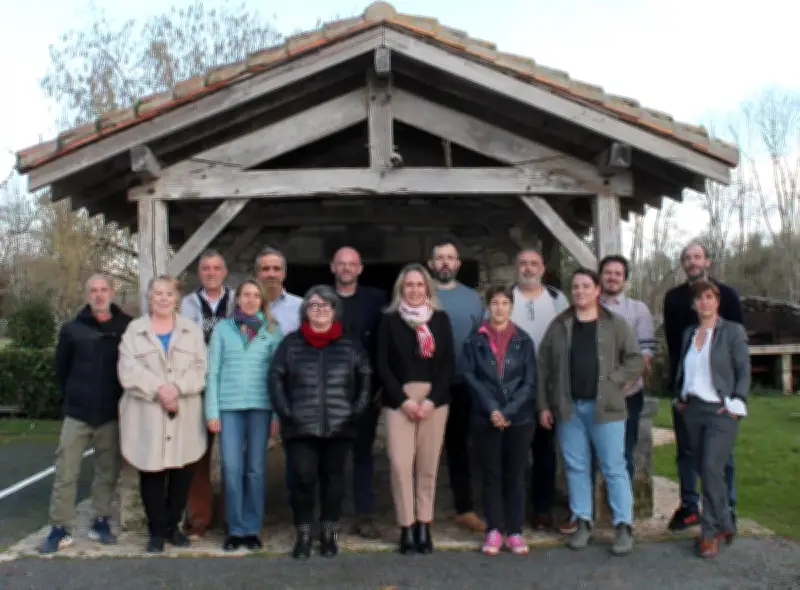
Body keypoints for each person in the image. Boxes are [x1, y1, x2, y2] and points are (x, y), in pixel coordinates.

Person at [537, 268, 643, 556]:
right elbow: (543, 366)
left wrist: (614, 381)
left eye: (586, 286)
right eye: (576, 286)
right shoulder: (559, 325)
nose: (580, 291)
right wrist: (544, 404)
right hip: (569, 409)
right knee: (576, 467)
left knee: (614, 467)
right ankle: (583, 521)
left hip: (606, 409)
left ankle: (623, 526)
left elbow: (635, 359)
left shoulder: (615, 324)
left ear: (597, 290)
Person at [268, 285, 371, 560]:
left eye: (326, 305)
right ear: (306, 311)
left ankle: (328, 532)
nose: (320, 310)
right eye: (314, 305)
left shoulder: (350, 344)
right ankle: (303, 534)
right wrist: (287, 412)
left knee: (334, 483)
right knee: (302, 481)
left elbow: (365, 378)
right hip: (300, 428)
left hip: (339, 427)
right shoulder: (290, 344)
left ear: (335, 310)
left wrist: (355, 411)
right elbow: (276, 379)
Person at [40, 275, 133, 554]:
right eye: (93, 290)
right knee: (66, 471)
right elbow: (62, 369)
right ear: (86, 295)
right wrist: (75, 396)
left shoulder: (126, 327)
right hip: (78, 414)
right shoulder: (72, 330)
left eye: (104, 290)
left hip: (111, 414)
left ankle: (100, 521)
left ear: (112, 293)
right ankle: (60, 527)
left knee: (107, 472)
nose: (99, 295)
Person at [117, 275, 209, 554]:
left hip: (184, 414)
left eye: (169, 293)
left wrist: (176, 389)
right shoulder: (134, 331)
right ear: (150, 296)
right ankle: (156, 531)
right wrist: (160, 390)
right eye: (157, 293)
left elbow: (200, 368)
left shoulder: (192, 331)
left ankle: (172, 527)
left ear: (177, 298)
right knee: (152, 474)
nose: (163, 298)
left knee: (182, 474)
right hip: (147, 414)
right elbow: (128, 369)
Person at [663, 242, 743, 532]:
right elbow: (674, 345)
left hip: (720, 390)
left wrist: (735, 395)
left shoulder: (728, 296)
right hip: (687, 387)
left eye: (697, 257)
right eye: (687, 258)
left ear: (707, 261)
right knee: (686, 450)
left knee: (722, 456)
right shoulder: (673, 299)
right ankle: (689, 505)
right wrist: (678, 387)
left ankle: (726, 507)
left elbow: (736, 346)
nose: (692, 262)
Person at [377, 263, 456, 555]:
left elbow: (448, 363)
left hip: (434, 401)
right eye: (409, 285)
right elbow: (382, 365)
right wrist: (404, 400)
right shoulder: (389, 320)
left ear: (428, 288)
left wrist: (432, 400)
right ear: (401, 288)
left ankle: (424, 524)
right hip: (399, 401)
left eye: (419, 284)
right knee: (400, 466)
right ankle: (406, 526)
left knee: (427, 466)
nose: (414, 290)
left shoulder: (440, 320)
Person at [673, 280, 749, 558]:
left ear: (717, 301)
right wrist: (680, 397)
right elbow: (686, 369)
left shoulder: (732, 331)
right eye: (699, 298)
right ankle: (725, 523)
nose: (704, 302)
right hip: (693, 409)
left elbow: (743, 370)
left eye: (709, 297)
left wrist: (737, 401)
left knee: (711, 467)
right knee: (704, 470)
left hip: (721, 411)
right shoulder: (689, 333)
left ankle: (710, 532)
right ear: (693, 304)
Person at [205, 279, 283, 552]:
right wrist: (212, 411)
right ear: (237, 299)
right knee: (232, 468)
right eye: (245, 295)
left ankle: (252, 528)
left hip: (261, 407)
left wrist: (276, 415)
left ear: (262, 301)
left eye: (255, 295)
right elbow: (213, 371)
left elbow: (277, 376)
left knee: (255, 469)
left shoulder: (272, 331)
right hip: (229, 408)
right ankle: (235, 529)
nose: (250, 300)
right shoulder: (223, 329)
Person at [462, 285, 537, 556]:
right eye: (495, 303)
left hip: (519, 419)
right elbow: (470, 377)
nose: (500, 308)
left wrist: (509, 411)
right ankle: (494, 528)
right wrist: (493, 409)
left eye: (505, 303)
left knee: (515, 475)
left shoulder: (523, 340)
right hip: (485, 418)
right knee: (491, 475)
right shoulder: (474, 341)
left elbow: (529, 382)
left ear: (511, 307)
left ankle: (515, 530)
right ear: (488, 306)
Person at [509, 249, 570, 533]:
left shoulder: (558, 300)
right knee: (514, 452)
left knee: (545, 450)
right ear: (516, 267)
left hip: (548, 386)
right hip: (513, 386)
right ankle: (514, 510)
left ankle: (542, 510)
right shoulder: (505, 298)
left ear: (542, 269)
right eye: (523, 263)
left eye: (534, 264)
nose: (528, 268)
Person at [427, 239, 486, 532]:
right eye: (440, 258)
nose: (445, 263)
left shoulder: (473, 299)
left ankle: (464, 508)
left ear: (458, 264)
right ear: (431, 264)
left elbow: (481, 341)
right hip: (426, 384)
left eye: (450, 258)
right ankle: (419, 511)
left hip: (462, 383)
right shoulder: (420, 293)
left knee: (459, 446)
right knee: (423, 449)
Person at [330, 246, 388, 539]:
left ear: (360, 268)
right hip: (331, 393)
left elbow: (384, 344)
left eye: (352, 264)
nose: (346, 268)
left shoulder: (376, 300)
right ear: (333, 267)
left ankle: (364, 515)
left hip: (367, 391)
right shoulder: (321, 300)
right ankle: (333, 516)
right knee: (333, 457)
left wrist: (382, 386)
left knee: (363, 455)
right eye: (341, 263)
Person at [179, 249, 236, 537]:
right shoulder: (187, 304)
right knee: (197, 455)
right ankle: (199, 518)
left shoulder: (237, 300)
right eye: (205, 268)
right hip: (198, 385)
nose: (211, 273)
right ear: (199, 273)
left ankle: (231, 517)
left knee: (233, 456)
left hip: (230, 385)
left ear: (225, 272)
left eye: (216, 268)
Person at [599, 255, 655, 483]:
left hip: (627, 393)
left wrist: (625, 384)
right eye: (608, 273)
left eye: (618, 274)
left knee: (623, 453)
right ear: (600, 276)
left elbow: (646, 353)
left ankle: (623, 503)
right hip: (592, 393)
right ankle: (591, 504)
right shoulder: (587, 307)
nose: (612, 277)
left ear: (625, 279)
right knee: (593, 454)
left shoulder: (638, 310)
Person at [256, 246, 303, 335]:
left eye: (276, 269)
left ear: (284, 274)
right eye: (265, 269)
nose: (271, 274)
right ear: (258, 274)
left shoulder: (301, 307)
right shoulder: (244, 306)